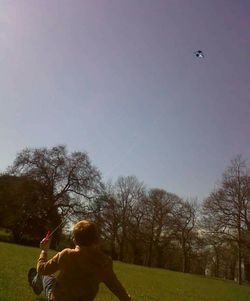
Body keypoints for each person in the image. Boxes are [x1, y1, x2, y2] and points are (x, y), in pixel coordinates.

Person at [28, 220, 131, 301]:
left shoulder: (67, 255)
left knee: (47, 275)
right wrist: (126, 298)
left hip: (58, 298)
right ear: (96, 239)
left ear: (74, 240)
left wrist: (44, 251)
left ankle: (36, 282)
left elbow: (42, 269)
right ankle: (36, 282)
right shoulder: (104, 262)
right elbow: (115, 285)